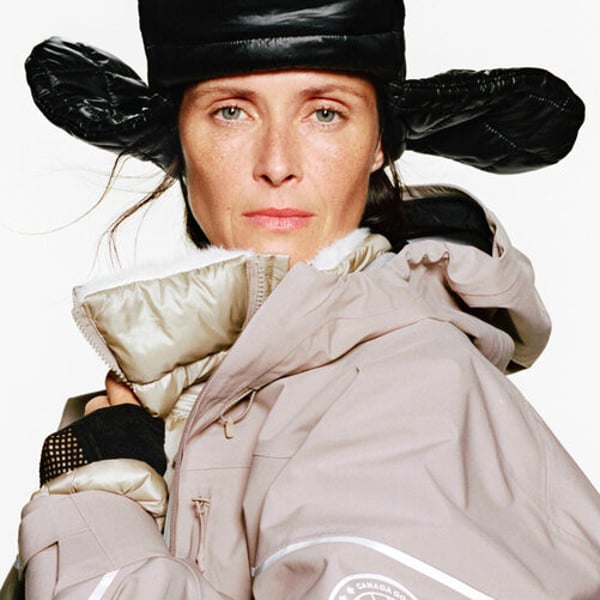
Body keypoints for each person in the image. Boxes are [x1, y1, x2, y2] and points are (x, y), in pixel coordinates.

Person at [3, 0, 600, 598]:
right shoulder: (226, 383)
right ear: (179, 139)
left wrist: (96, 516)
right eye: (231, 111)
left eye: (325, 113)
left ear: (378, 143)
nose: (277, 164)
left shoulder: (404, 390)